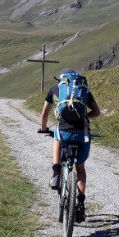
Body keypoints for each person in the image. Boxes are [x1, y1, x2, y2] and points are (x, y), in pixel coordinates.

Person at [38, 69, 101, 223]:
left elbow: (44, 114)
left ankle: (56, 173)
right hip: (82, 135)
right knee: (80, 168)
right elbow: (97, 112)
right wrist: (85, 116)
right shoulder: (83, 91)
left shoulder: (55, 89)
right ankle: (80, 203)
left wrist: (44, 128)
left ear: (61, 80)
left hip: (64, 132)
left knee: (56, 138)